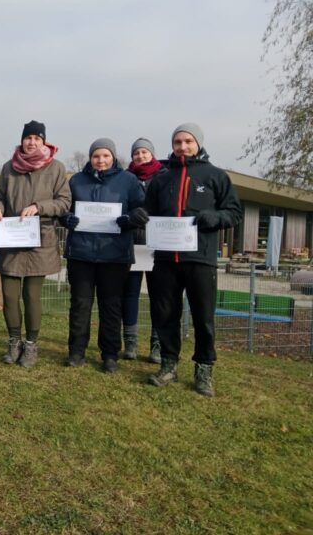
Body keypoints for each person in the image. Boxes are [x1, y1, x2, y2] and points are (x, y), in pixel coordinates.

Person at [139, 123, 242, 396]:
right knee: (165, 315)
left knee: (203, 317)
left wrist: (215, 217)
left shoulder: (216, 176)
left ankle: (204, 369)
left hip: (200, 259)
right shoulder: (161, 179)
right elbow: (148, 210)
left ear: (198, 143)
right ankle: (168, 365)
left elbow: (234, 212)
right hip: (165, 260)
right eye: (177, 142)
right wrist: (140, 214)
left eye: (188, 141)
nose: (182, 146)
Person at [0, 120, 71, 368]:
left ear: (44, 141)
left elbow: (64, 202)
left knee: (32, 295)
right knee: (9, 295)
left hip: (40, 241)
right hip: (12, 239)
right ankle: (14, 341)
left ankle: (31, 344)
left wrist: (39, 207)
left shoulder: (56, 168)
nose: (32, 142)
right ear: (22, 140)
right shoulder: (9, 167)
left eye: (37, 138)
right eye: (28, 138)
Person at [61, 138, 145, 373]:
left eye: (106, 155)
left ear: (113, 157)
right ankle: (76, 351)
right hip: (81, 254)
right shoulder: (76, 180)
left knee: (111, 306)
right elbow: (63, 208)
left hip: (115, 255)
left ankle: (110, 355)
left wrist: (131, 219)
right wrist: (66, 219)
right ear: (90, 158)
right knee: (80, 305)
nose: (101, 160)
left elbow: (141, 208)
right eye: (96, 156)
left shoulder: (128, 180)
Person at [120, 138, 165, 364]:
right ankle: (130, 342)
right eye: (136, 153)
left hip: (157, 246)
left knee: (158, 296)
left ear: (152, 154)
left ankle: (156, 344)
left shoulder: (164, 176)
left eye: (144, 152)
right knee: (130, 293)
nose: (140, 156)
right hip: (132, 244)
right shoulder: (126, 178)